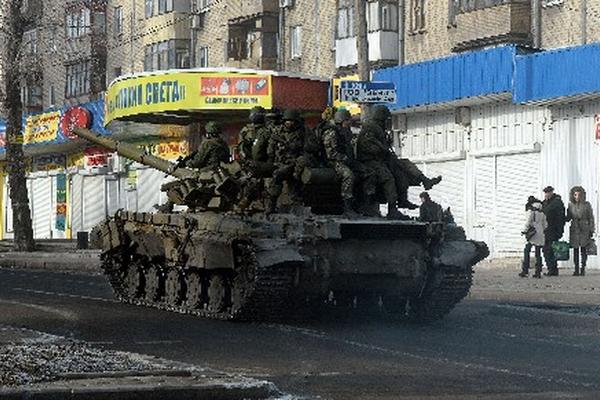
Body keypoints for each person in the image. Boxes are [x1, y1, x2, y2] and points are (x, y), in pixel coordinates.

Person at [266, 109, 319, 211]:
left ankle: (296, 203)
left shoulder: (304, 131)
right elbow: (271, 148)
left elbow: (314, 147)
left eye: (292, 121)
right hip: (281, 162)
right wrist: (271, 160)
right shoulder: (278, 131)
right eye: (287, 121)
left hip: (297, 161)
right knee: (277, 177)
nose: (289, 123)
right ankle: (271, 204)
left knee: (295, 181)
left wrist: (298, 147)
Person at [322, 109, 356, 214]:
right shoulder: (331, 132)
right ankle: (347, 206)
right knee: (348, 175)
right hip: (333, 162)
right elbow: (330, 153)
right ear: (341, 121)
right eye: (347, 120)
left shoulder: (346, 131)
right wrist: (344, 158)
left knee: (367, 171)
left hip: (346, 160)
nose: (349, 123)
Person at [566, 186, 595, 276]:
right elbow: (568, 217)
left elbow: (591, 218)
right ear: (572, 195)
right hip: (574, 228)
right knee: (575, 249)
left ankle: (583, 268)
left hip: (584, 228)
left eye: (579, 195)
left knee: (583, 249)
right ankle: (576, 269)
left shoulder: (587, 205)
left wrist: (591, 229)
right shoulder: (570, 205)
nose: (577, 197)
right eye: (575, 195)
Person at [519, 197, 547, 278]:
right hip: (540, 234)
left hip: (532, 234)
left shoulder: (531, 212)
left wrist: (524, 231)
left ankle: (525, 270)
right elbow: (545, 225)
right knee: (538, 253)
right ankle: (538, 271)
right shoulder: (543, 214)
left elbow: (528, 223)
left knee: (527, 250)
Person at [541, 186, 566, 276]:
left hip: (553, 230)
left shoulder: (557, 203)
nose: (546, 194)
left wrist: (559, 231)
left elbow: (561, 218)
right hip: (546, 230)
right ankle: (551, 268)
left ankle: (553, 270)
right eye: (545, 193)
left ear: (551, 192)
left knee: (551, 250)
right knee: (546, 250)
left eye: (548, 192)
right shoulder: (545, 203)